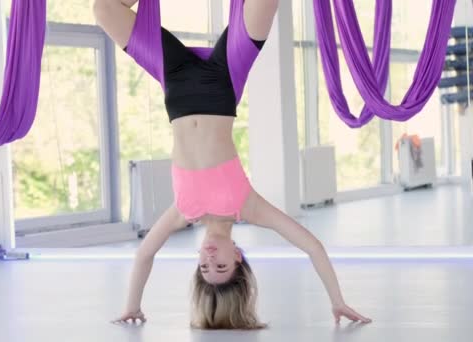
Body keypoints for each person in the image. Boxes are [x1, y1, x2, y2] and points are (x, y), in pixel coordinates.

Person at [93, 0, 372, 329]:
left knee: (104, 10)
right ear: (237, 257)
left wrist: (132, 305)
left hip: (175, 76)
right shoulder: (248, 206)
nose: (210, 260)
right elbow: (312, 246)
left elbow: (144, 254)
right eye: (221, 267)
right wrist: (337, 300)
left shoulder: (184, 211)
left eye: (204, 268)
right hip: (224, 75)